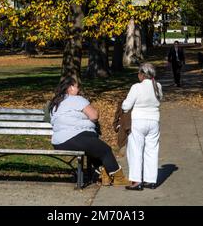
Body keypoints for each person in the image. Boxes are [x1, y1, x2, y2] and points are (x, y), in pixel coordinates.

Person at [49, 76, 129, 186]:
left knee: (93, 147)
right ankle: (119, 178)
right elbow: (94, 116)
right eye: (77, 86)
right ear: (71, 87)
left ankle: (104, 176)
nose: (79, 89)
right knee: (105, 150)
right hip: (74, 137)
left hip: (58, 142)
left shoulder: (56, 102)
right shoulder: (76, 99)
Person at [122, 63, 163, 191]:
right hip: (154, 121)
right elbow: (159, 100)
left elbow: (126, 106)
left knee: (135, 151)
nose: (138, 76)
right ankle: (150, 180)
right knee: (151, 150)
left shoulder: (136, 87)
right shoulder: (158, 86)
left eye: (138, 73)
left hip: (138, 121)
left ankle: (136, 181)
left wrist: (122, 104)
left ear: (142, 74)